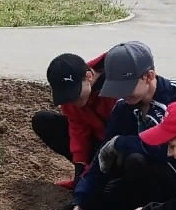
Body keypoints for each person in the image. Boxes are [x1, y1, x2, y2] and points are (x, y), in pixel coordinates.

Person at [62, 41, 176, 210]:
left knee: (135, 159)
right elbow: (102, 159)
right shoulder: (123, 108)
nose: (122, 94)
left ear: (149, 76)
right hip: (136, 185)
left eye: (127, 86)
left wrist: (121, 143)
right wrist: (78, 207)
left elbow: (170, 149)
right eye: (117, 88)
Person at [32, 52, 116, 190]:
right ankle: (85, 178)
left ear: (89, 76)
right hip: (97, 141)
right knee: (42, 121)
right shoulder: (69, 99)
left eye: (75, 95)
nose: (73, 102)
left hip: (120, 143)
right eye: (67, 97)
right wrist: (79, 171)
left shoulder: (115, 87)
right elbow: (78, 131)